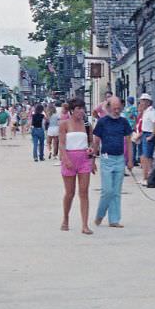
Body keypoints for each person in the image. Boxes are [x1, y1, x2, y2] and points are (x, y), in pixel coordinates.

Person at [92, 96, 132, 228]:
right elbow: (96, 142)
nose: (116, 111)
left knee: (116, 191)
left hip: (120, 158)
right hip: (106, 158)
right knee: (107, 190)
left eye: (119, 109)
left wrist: (130, 160)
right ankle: (100, 214)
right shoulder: (102, 122)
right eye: (114, 108)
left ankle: (114, 219)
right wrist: (92, 160)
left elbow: (128, 142)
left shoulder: (124, 122)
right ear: (108, 108)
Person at [58, 98, 96, 235]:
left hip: (84, 159)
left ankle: (85, 225)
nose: (81, 111)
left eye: (82, 108)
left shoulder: (87, 125)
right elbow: (61, 144)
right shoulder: (64, 124)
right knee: (70, 192)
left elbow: (91, 142)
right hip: (69, 158)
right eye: (78, 108)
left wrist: (92, 154)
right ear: (72, 110)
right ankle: (65, 218)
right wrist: (65, 158)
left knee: (84, 192)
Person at [138, 93, 155, 186]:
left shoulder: (152, 111)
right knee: (144, 157)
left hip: (148, 134)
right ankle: (145, 177)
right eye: (141, 101)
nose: (141, 103)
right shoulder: (146, 111)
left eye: (143, 101)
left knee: (148, 158)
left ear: (148, 102)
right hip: (144, 134)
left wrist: (151, 136)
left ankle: (149, 178)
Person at [122, 96, 139, 171]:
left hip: (125, 128)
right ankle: (133, 159)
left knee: (126, 145)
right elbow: (136, 116)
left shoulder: (125, 108)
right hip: (132, 128)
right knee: (133, 144)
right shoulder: (134, 108)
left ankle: (127, 159)